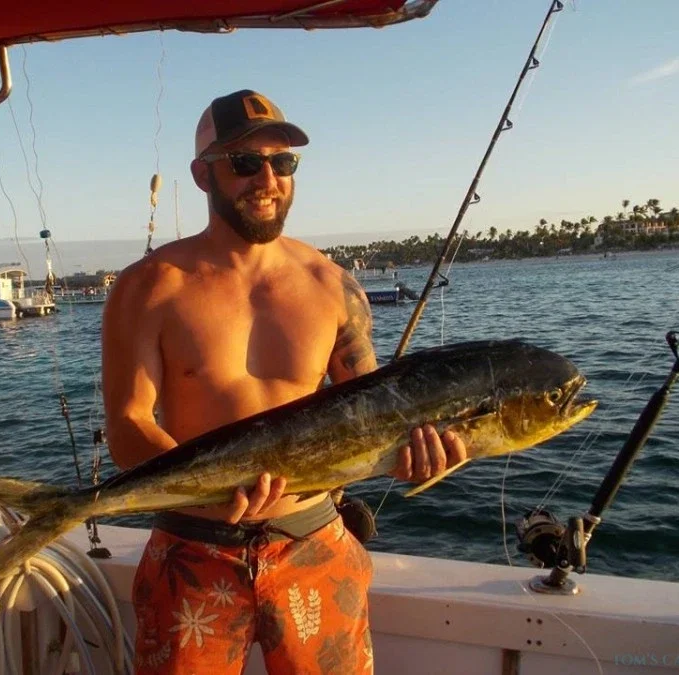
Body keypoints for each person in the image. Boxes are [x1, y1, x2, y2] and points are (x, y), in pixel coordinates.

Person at [101, 90, 467, 674]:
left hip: (315, 544)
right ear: (202, 175)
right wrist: (213, 492)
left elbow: (377, 415)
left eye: (283, 162)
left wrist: (419, 458)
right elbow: (127, 426)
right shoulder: (148, 286)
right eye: (245, 162)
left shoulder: (332, 286)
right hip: (192, 553)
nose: (267, 180)